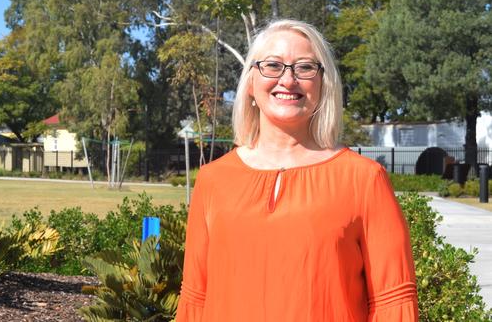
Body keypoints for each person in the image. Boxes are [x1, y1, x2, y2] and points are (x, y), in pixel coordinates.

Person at [176, 19, 418, 321]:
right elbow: (196, 301)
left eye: (304, 67)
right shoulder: (213, 180)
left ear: (322, 84)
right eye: (273, 65)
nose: (288, 80)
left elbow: (392, 302)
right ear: (251, 82)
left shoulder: (364, 180)